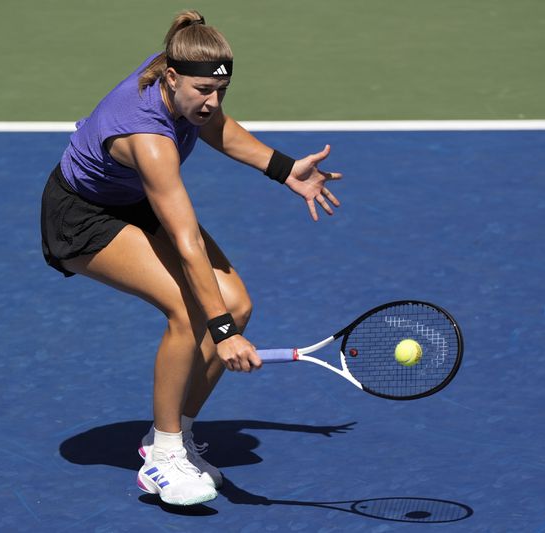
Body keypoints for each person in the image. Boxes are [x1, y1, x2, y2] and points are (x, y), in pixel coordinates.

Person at [41, 10, 342, 506]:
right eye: (203, 90)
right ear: (173, 77)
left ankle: (174, 436)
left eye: (220, 90)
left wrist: (284, 168)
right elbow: (187, 241)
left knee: (237, 303)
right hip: (82, 218)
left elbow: (216, 125)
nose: (212, 101)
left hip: (132, 199)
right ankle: (161, 458)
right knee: (190, 310)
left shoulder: (179, 75)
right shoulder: (147, 138)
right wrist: (222, 335)